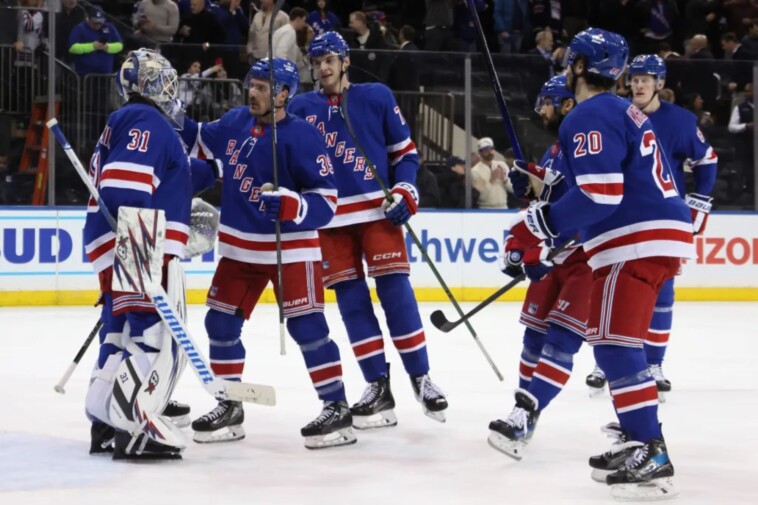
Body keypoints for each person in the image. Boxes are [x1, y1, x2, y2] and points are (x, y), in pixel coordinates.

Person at [506, 29, 695, 499]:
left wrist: (538, 224)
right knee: (616, 342)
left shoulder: (589, 113)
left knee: (613, 344)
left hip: (634, 239)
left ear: (576, 67)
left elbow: (599, 193)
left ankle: (649, 449)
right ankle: (639, 438)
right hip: (656, 235)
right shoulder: (621, 111)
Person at [184, 57, 356, 450]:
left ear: (283, 94)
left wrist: (293, 206)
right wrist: (166, 109)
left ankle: (337, 407)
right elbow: (195, 137)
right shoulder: (234, 122)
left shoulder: (303, 136)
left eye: (262, 87)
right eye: (252, 85)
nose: (253, 92)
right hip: (239, 247)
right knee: (220, 325)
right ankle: (229, 404)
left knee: (308, 329)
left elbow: (327, 201)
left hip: (291, 249)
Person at [288, 32, 448, 429]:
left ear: (344, 61)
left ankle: (421, 377)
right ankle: (378, 386)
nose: (322, 67)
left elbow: (405, 154)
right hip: (330, 221)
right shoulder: (300, 106)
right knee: (352, 305)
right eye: (316, 60)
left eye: (329, 59)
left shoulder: (376, 95)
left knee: (396, 293)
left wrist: (406, 189)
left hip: (378, 213)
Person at [83, 49, 214, 460]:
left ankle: (104, 418)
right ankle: (136, 423)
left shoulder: (134, 122)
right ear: (152, 83)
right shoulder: (147, 120)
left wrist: (224, 168)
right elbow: (124, 189)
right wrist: (141, 254)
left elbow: (175, 176)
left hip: (118, 238)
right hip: (136, 238)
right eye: (167, 79)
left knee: (120, 332)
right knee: (153, 336)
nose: (173, 87)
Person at [585, 55, 718, 400]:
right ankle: (608, 360)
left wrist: (700, 200)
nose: (639, 85)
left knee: (661, 291)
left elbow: (708, 160)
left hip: (660, 218)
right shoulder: (617, 114)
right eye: (635, 79)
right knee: (609, 287)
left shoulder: (681, 121)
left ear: (660, 83)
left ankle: (654, 363)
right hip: (617, 216)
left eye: (647, 79)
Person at [488, 75, 591, 461]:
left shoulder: (586, 148)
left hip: (587, 258)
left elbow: (595, 202)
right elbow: (543, 204)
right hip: (554, 257)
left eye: (546, 102)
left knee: (562, 341)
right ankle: (524, 412)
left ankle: (526, 413)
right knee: (533, 337)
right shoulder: (554, 150)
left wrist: (552, 244)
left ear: (566, 104)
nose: (540, 111)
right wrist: (528, 188)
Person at [471, 137, 510, 209]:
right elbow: (480, 195)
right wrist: (492, 179)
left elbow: (513, 189)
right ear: (480, 152)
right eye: (486, 150)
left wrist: (505, 180)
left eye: (491, 149)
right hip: (486, 209)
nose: (490, 152)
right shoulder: (475, 171)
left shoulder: (502, 165)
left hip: (504, 208)